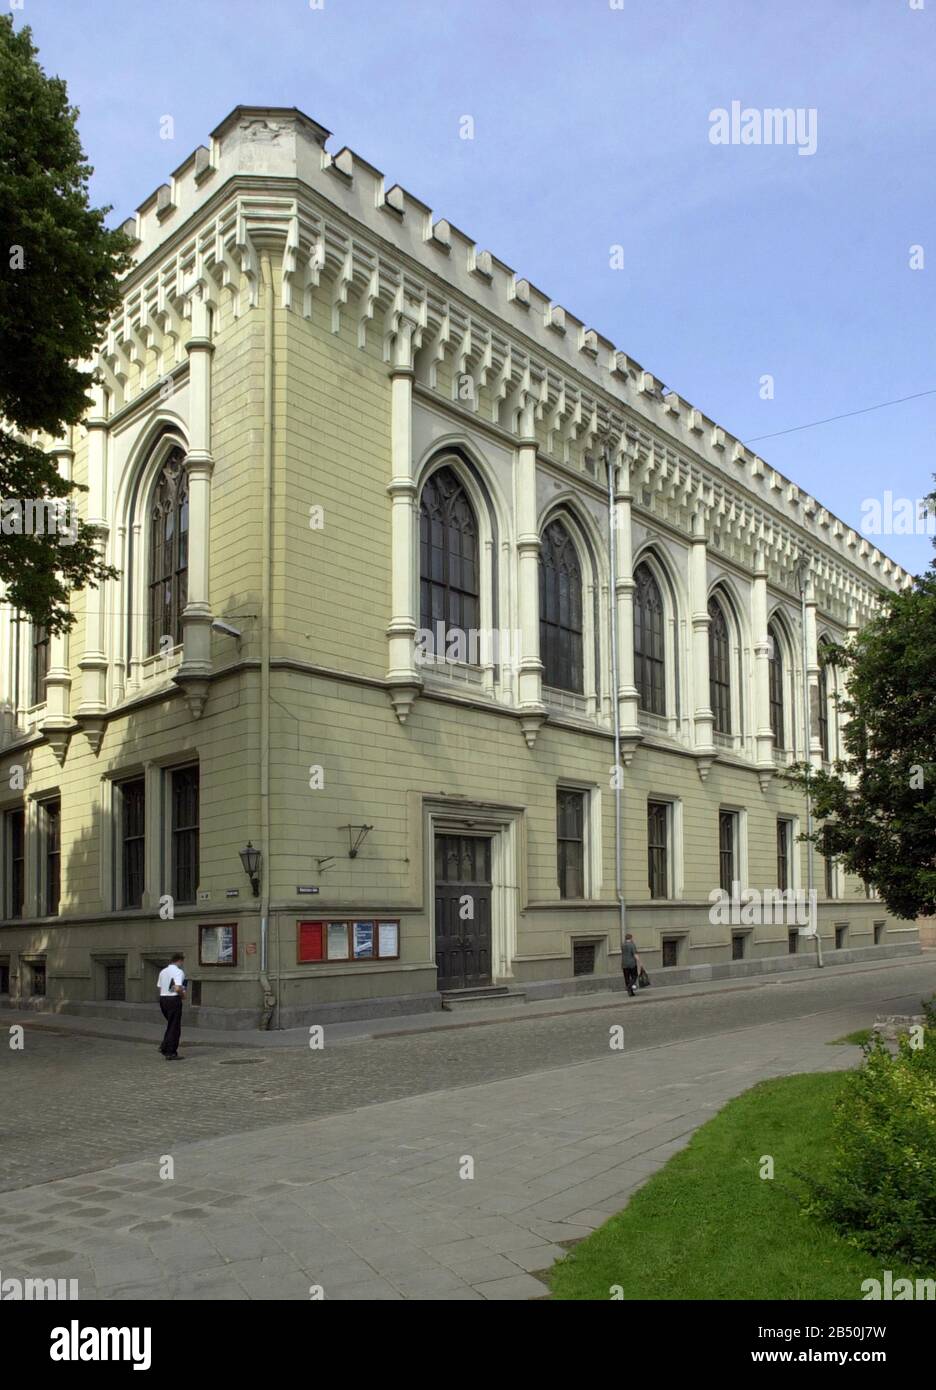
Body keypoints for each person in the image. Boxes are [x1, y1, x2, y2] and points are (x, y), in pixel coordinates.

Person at [157, 952, 187, 1060]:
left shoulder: (163, 971)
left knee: (171, 1024)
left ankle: (164, 1046)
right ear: (180, 960)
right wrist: (183, 995)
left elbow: (160, 987)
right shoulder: (179, 972)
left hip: (163, 999)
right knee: (174, 1026)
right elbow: (178, 988)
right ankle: (170, 1052)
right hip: (173, 999)